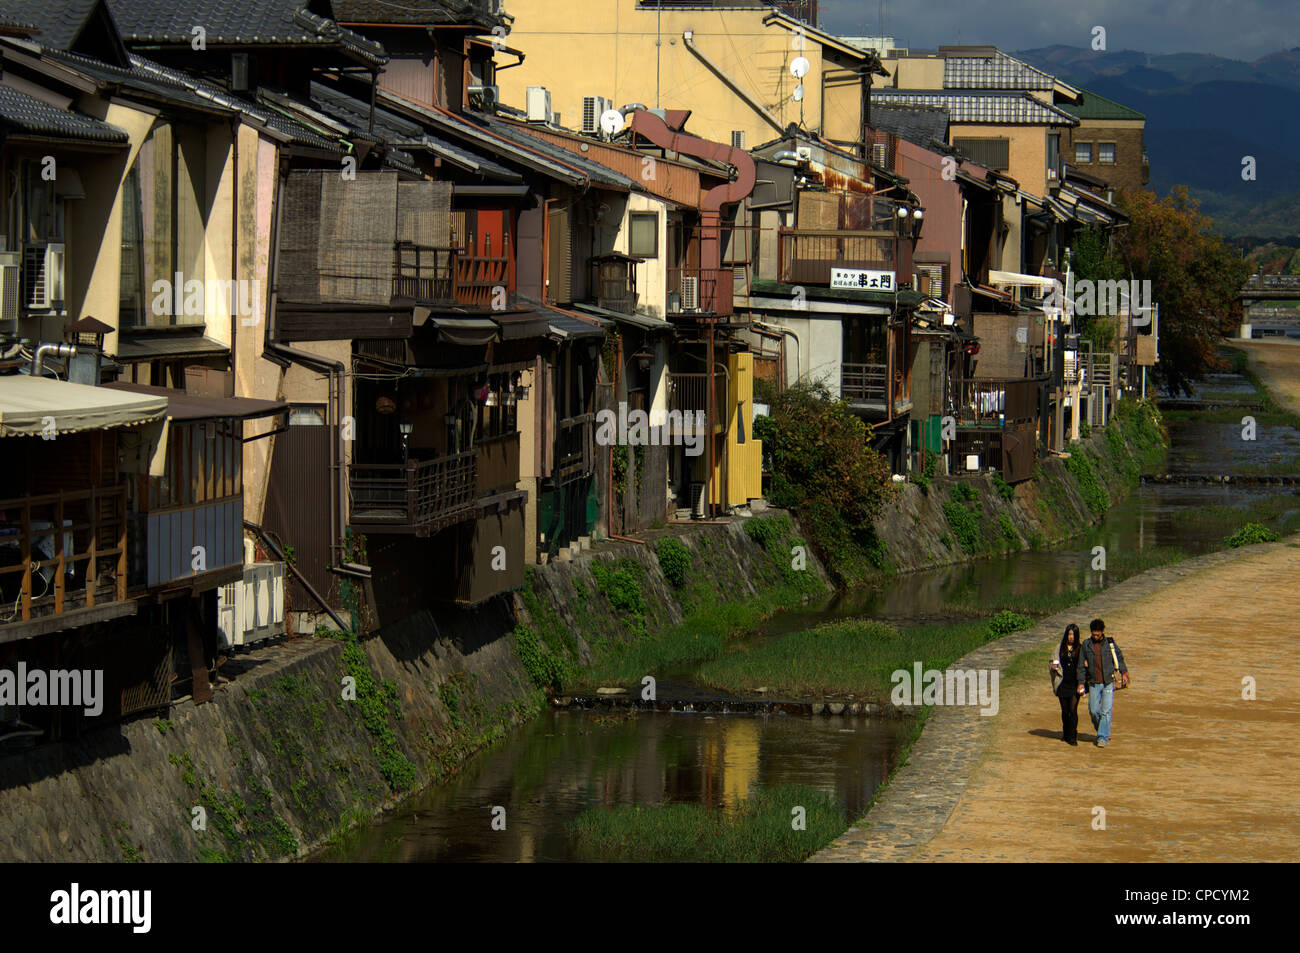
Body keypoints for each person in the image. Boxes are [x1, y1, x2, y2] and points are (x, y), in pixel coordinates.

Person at [1075, 618, 1129, 748]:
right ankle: (1102, 729)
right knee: (1093, 710)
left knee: (1106, 711)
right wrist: (1081, 682)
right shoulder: (1086, 645)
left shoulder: (1110, 644)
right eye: (1093, 634)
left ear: (1102, 632)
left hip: (1108, 682)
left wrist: (1124, 673)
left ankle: (1102, 737)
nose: (1095, 636)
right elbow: (1081, 665)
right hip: (1093, 683)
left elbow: (1119, 658)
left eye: (1098, 634)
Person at [1050, 624, 1083, 745]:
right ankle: (1066, 732)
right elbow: (1052, 662)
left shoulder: (1080, 648)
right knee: (1065, 710)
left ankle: (1073, 736)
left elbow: (1085, 664)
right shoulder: (1059, 648)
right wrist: (1053, 667)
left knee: (1073, 710)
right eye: (1069, 634)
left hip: (1075, 684)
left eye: (1073, 634)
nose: (1071, 637)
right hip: (1062, 683)